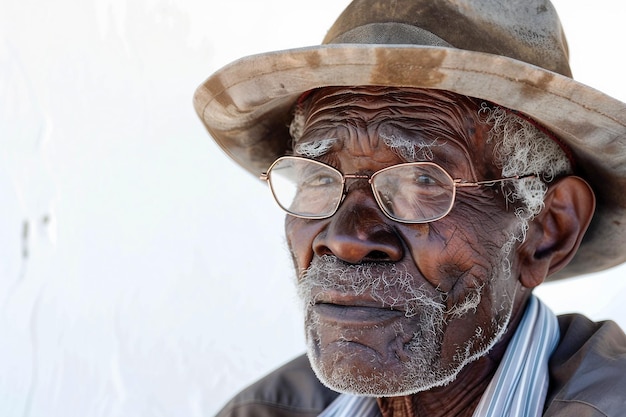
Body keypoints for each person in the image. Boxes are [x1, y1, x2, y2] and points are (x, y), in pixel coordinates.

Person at [194, 0, 626, 415]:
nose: (344, 239)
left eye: (423, 181)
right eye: (320, 178)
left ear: (548, 230)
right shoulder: (261, 412)